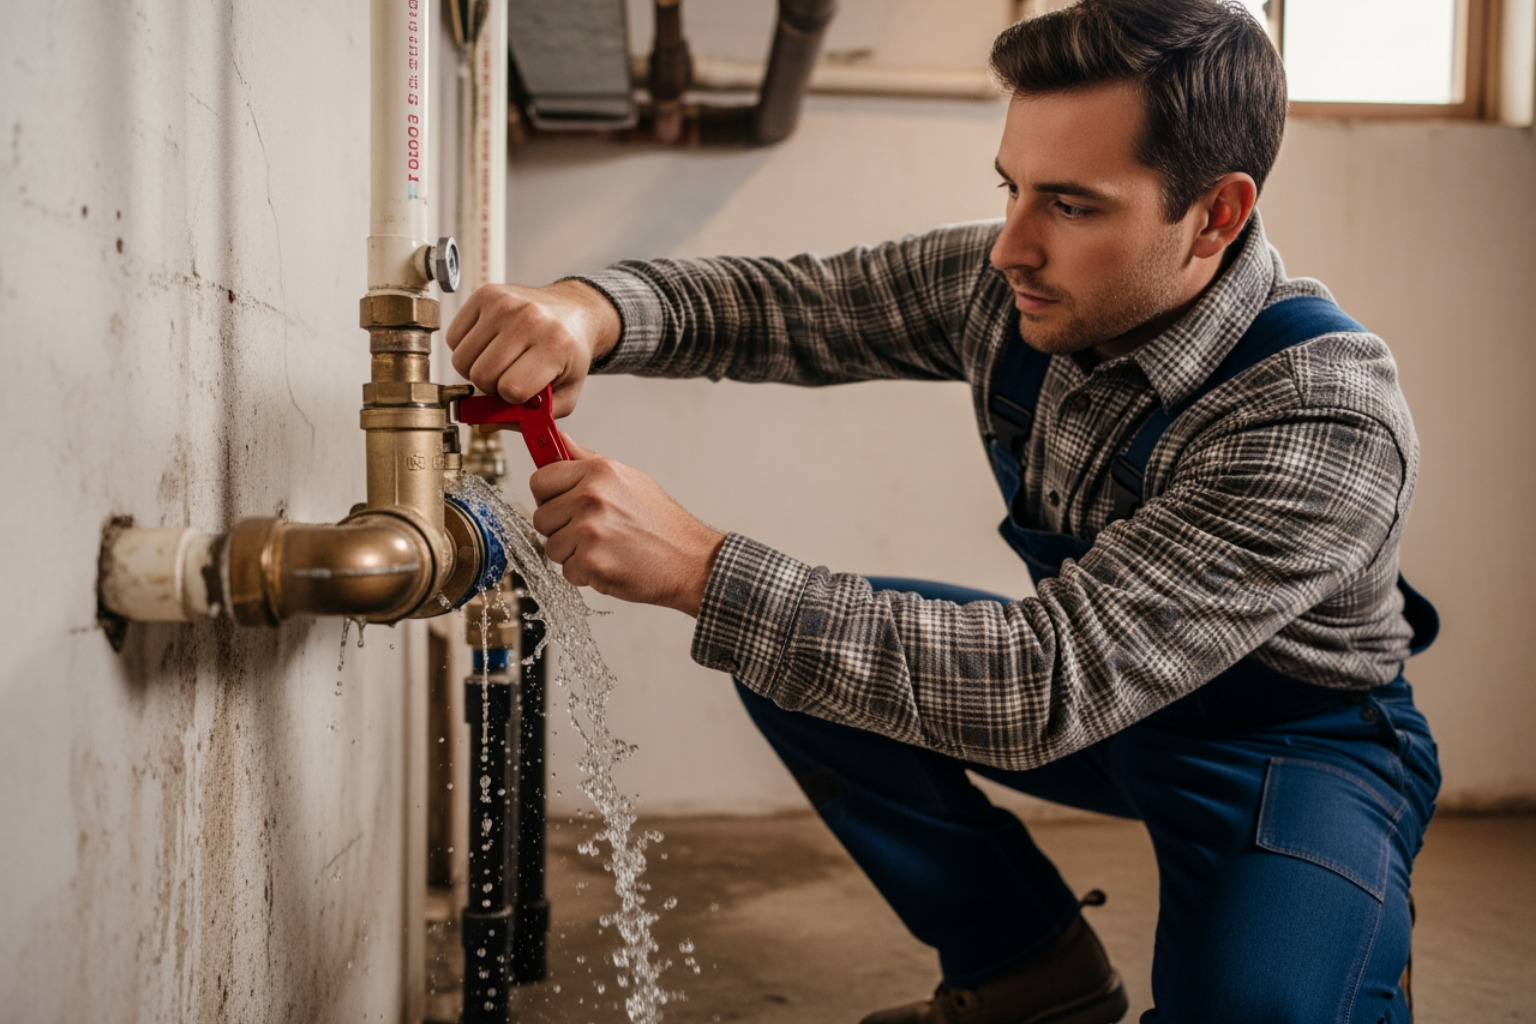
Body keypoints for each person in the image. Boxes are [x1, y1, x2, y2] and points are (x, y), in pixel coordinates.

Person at [446, 0, 1441, 1019]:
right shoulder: (1010, 285)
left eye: (1072, 205)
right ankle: (1029, 976)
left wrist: (701, 567)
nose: (1011, 245)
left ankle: (1336, 915)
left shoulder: (1320, 412)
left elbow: (1042, 681)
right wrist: (590, 308)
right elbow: (799, 307)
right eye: (1010, 188)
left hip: (1285, 750)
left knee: (1261, 1006)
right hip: (1107, 712)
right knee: (799, 664)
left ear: (1217, 215)